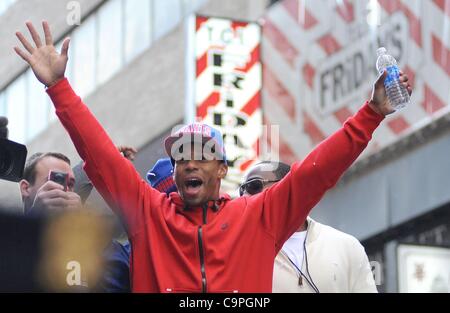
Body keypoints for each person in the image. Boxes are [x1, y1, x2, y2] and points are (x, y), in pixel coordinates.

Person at [14, 21, 412, 292]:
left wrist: (373, 112)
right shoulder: (149, 214)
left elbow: (318, 170)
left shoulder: (259, 215)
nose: (190, 162)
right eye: (181, 156)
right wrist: (59, 88)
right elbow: (99, 154)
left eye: (202, 155)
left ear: (222, 169)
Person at [240, 161, 378, 293]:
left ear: (287, 186)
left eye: (253, 186)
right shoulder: (240, 250)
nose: (245, 196)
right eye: (241, 190)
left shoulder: (347, 245)